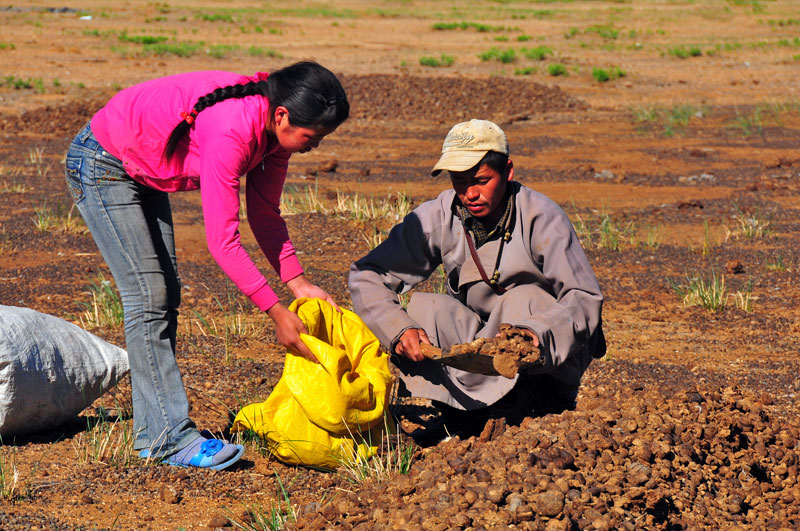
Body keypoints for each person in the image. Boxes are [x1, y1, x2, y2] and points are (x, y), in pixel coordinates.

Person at [64, 61, 349, 470]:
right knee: (149, 295)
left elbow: (265, 215)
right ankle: (167, 438)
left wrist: (299, 283)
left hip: (138, 165)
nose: (315, 147)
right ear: (283, 115)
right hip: (104, 162)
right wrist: (276, 311)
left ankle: (154, 431)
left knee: (164, 294)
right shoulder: (233, 130)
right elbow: (222, 242)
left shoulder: (274, 135)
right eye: (313, 137)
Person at [349, 119, 605, 439]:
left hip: (543, 355)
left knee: (525, 298)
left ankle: (535, 405)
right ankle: (468, 412)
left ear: (508, 171)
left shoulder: (542, 216)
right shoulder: (440, 215)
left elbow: (584, 297)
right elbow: (367, 274)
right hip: (481, 346)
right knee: (426, 309)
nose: (470, 194)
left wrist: (534, 336)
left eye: (482, 180)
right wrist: (398, 330)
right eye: (459, 181)